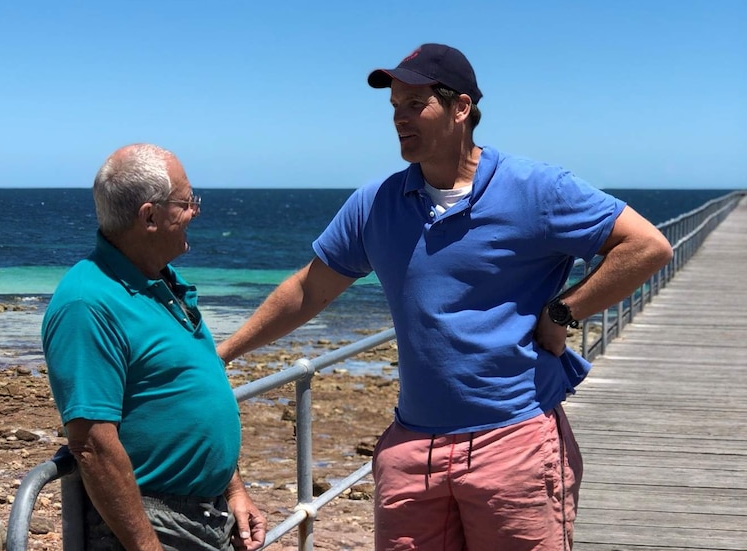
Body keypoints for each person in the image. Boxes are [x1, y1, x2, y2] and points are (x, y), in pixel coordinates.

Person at [217, 44, 673, 550]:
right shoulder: (376, 203)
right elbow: (309, 289)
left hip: (514, 442)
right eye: (395, 106)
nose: (400, 118)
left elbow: (647, 246)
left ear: (460, 108)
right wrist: (224, 354)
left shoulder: (536, 189)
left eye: (415, 104)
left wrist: (562, 312)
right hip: (413, 450)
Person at [42, 143, 266, 551]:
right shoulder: (87, 303)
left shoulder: (162, 282)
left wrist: (234, 489)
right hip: (153, 523)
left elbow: (187, 389)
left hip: (205, 515)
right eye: (186, 202)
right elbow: (92, 443)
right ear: (149, 216)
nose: (195, 211)